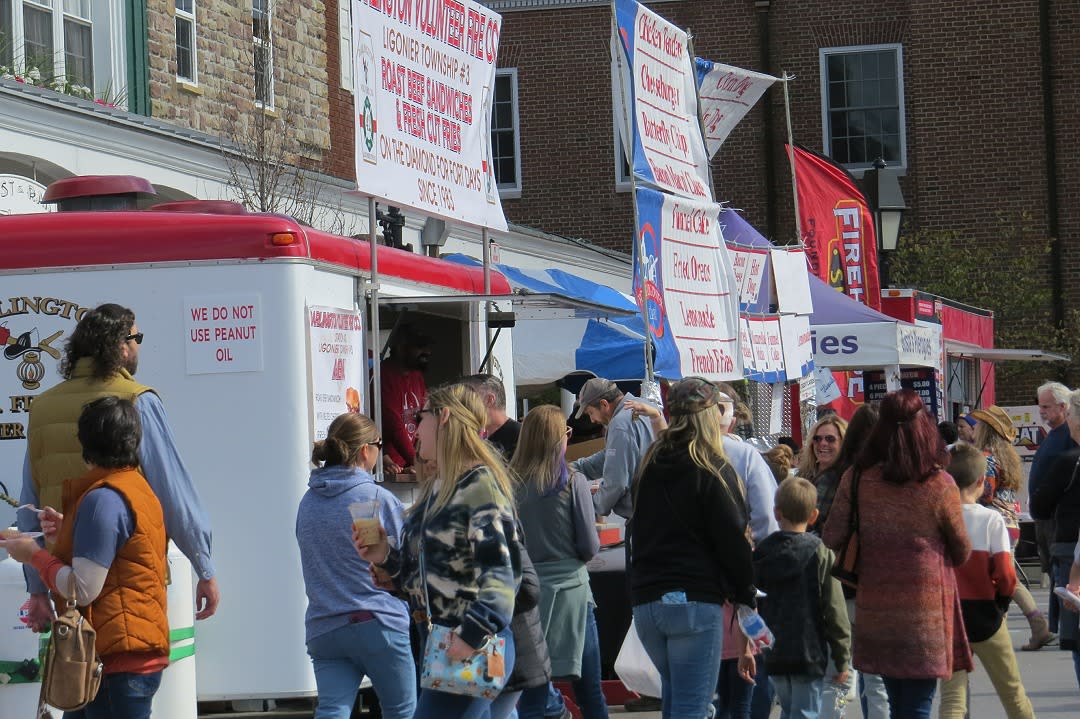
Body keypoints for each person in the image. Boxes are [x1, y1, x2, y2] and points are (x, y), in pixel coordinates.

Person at [17, 302, 218, 633]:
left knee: (79, 678)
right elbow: (173, 495)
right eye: (136, 337)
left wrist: (37, 587)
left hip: (64, 581)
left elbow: (29, 504)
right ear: (121, 348)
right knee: (128, 673)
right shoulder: (139, 401)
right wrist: (204, 567)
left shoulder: (42, 407)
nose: (139, 343)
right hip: (129, 577)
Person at [358, 383, 522, 719]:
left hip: (468, 641)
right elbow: (432, 575)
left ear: (443, 417)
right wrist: (388, 561)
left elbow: (503, 576)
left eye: (421, 417)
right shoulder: (442, 489)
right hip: (444, 640)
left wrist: (472, 634)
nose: (415, 431)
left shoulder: (478, 486)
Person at [6, 397, 169, 719]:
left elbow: (82, 588)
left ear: (83, 442)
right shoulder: (135, 488)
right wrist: (66, 533)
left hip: (115, 661)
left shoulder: (102, 500)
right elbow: (123, 555)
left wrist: (34, 555)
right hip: (123, 653)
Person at [822, 389, 972, 719]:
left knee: (891, 695)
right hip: (926, 611)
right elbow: (961, 550)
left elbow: (832, 535)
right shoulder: (940, 484)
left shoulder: (858, 478)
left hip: (876, 607)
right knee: (918, 703)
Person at [629, 377, 757, 719]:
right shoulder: (712, 467)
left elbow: (636, 531)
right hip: (693, 602)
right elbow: (734, 540)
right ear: (709, 415)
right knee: (692, 707)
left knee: (677, 699)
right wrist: (746, 596)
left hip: (649, 603)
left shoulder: (649, 464)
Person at [295, 413, 415, 719]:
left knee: (332, 712)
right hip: (377, 620)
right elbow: (405, 561)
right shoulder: (375, 498)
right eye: (379, 445)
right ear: (365, 451)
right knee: (401, 711)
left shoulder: (307, 503)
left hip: (324, 626)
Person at [511, 405, 605, 719]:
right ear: (558, 438)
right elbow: (590, 545)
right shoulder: (571, 481)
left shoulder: (509, 485)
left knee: (534, 695)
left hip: (527, 595)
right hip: (573, 593)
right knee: (590, 690)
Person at [938, 443, 1035, 719]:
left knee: (952, 700)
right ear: (982, 481)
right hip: (987, 617)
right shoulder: (992, 520)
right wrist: (1001, 603)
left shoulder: (938, 519)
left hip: (950, 620)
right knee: (1012, 692)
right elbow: (1006, 574)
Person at [807, 404, 885, 719]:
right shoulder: (881, 478)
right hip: (871, 586)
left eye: (831, 439)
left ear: (846, 441)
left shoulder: (835, 480)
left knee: (837, 672)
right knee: (873, 676)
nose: (823, 445)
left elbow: (822, 534)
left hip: (839, 583)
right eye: (818, 439)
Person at [753, 477, 850, 719]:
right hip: (809, 651)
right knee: (806, 712)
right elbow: (834, 610)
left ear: (777, 513)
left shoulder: (762, 552)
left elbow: (752, 602)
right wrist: (842, 657)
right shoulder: (820, 553)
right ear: (814, 515)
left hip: (773, 650)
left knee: (788, 709)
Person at [970, 404, 1054, 650]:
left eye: (978, 426)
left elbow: (984, 496)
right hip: (1011, 524)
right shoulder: (1007, 456)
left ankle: (1007, 634)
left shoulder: (986, 459)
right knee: (1008, 578)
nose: (974, 430)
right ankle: (1034, 627)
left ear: (986, 431)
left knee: (1001, 580)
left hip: (992, 524)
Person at [1029, 387, 1080, 688]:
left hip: (1068, 549)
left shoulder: (1069, 460)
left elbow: (1040, 505)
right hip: (1066, 549)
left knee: (1075, 637)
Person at [571, 377, 656, 520]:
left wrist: (590, 507)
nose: (592, 420)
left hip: (643, 518)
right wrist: (574, 468)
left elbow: (616, 483)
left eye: (590, 412)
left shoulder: (620, 424)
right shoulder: (644, 405)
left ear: (604, 404)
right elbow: (612, 458)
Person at [379, 322, 432, 476]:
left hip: (410, 461)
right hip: (390, 465)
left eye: (428, 347)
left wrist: (424, 459)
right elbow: (393, 425)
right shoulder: (383, 375)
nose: (427, 352)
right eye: (420, 346)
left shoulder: (417, 376)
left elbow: (425, 418)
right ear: (401, 347)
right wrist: (418, 463)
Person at [463, 373, 521, 457]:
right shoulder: (475, 437)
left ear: (489, 400)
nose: (462, 404)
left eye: (469, 398)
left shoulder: (521, 437)